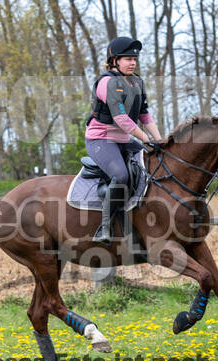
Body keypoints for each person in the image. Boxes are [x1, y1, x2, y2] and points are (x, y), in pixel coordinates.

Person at [85, 36, 162, 245]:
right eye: (127, 58)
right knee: (121, 174)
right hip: (101, 140)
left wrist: (159, 140)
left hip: (123, 139)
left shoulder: (137, 82)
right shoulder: (107, 82)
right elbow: (120, 118)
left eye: (135, 59)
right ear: (114, 60)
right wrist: (146, 139)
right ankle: (105, 227)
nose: (133, 62)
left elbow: (144, 115)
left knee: (154, 163)